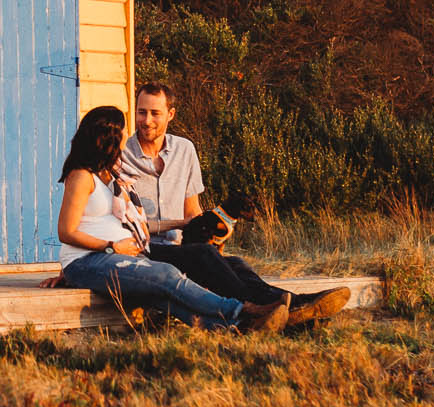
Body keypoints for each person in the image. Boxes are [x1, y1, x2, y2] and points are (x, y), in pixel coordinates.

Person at [122, 83, 351, 327]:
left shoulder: (184, 149)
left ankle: (295, 311)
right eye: (141, 112)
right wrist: (187, 229)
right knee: (204, 256)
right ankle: (282, 307)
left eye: (155, 113)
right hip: (144, 251)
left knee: (234, 264)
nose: (146, 120)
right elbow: (127, 225)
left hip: (182, 248)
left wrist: (210, 236)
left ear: (171, 114)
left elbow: (193, 213)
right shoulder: (122, 153)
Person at [55, 105, 289, 332]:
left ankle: (238, 327)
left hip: (121, 254)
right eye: (123, 129)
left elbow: (136, 224)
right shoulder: (81, 176)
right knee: (166, 274)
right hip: (88, 261)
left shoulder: (115, 175)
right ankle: (242, 311)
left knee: (160, 295)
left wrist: (181, 223)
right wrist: (111, 246)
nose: (128, 134)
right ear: (109, 137)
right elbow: (66, 232)